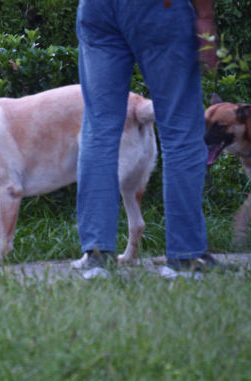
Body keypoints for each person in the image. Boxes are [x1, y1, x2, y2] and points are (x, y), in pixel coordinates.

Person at [75, 0, 235, 272]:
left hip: (96, 8)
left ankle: (97, 257)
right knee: (181, 130)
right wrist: (205, 16)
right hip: (158, 8)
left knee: (99, 130)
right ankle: (185, 257)